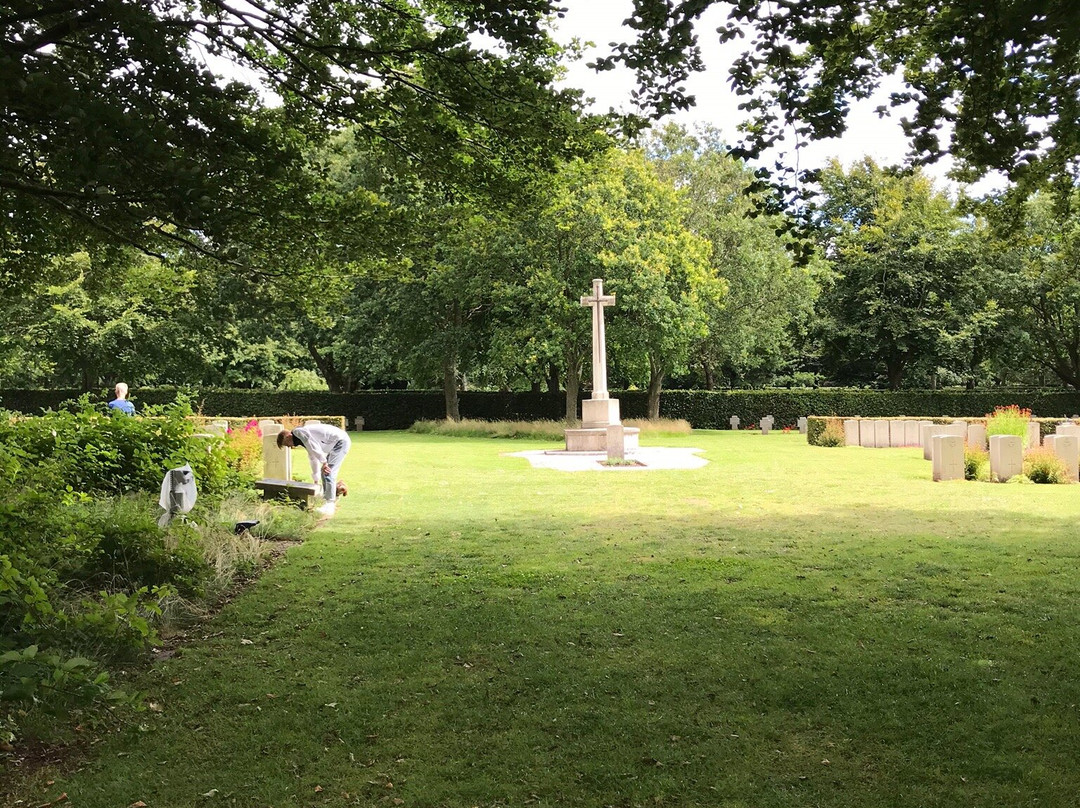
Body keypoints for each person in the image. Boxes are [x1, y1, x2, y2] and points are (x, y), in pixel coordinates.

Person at [277, 422, 351, 516]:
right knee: (324, 472)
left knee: (328, 472)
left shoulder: (298, 432)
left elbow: (311, 443)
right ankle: (329, 499)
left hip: (340, 442)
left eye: (286, 444)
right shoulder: (301, 439)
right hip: (336, 443)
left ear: (287, 436)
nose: (288, 446)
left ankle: (329, 505)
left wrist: (324, 462)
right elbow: (313, 457)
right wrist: (316, 478)